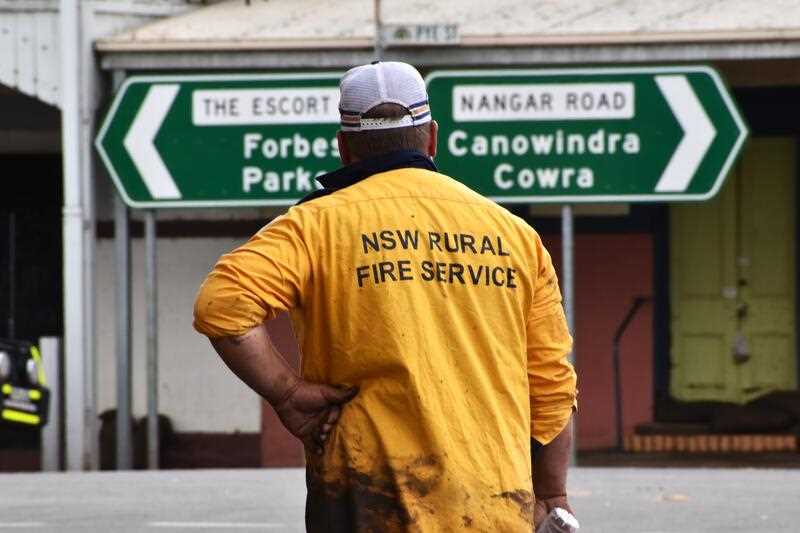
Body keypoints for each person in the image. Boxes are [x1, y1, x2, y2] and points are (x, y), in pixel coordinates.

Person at [193, 61, 578, 532]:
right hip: (491, 503)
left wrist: (287, 393)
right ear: (431, 138)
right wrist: (552, 494)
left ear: (344, 146)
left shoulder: (314, 226)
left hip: (364, 498)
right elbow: (552, 385)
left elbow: (222, 306)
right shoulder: (514, 236)